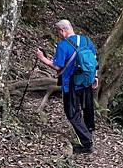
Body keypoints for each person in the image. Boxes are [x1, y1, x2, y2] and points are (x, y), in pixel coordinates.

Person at [36, 19, 98, 154]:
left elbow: (57, 66)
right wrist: (95, 77)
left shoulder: (63, 45)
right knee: (87, 108)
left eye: (58, 32)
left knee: (72, 113)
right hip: (87, 81)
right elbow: (94, 59)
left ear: (62, 30)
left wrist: (42, 59)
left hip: (71, 84)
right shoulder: (87, 40)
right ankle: (89, 130)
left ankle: (87, 143)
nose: (58, 34)